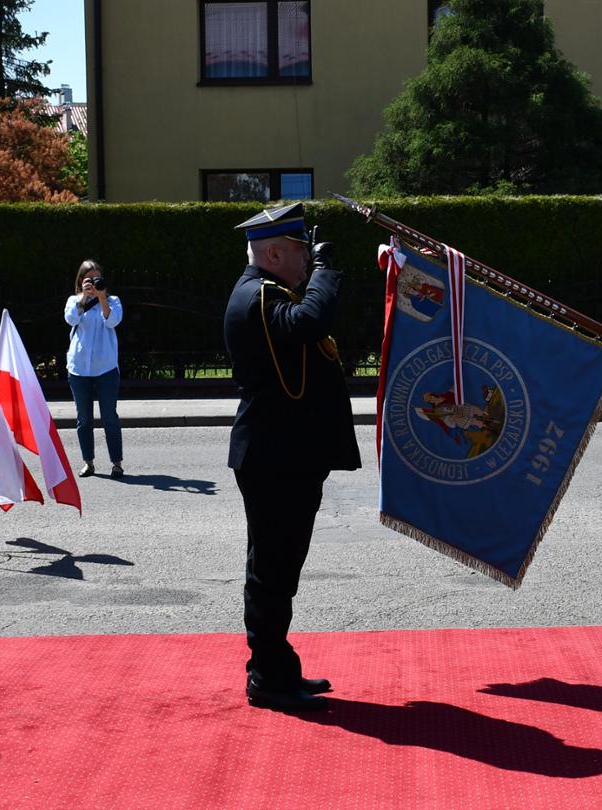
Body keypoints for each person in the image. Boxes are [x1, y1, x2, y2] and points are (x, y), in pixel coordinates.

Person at [222, 203, 361, 712]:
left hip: (287, 456)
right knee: (271, 570)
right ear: (276, 253)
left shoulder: (268, 293)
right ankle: (268, 678)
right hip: (272, 458)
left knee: (280, 569)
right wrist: (327, 271)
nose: (308, 263)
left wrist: (318, 270)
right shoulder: (256, 296)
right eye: (303, 253)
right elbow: (310, 319)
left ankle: (277, 670)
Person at [64, 260, 125, 478]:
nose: (94, 283)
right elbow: (71, 319)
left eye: (97, 278)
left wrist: (101, 298)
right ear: (81, 281)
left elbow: (112, 322)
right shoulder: (74, 301)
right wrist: (84, 297)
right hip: (79, 369)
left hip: (106, 368)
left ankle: (116, 463)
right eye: (90, 279)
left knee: (110, 416)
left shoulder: (112, 301)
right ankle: (88, 462)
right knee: (84, 419)